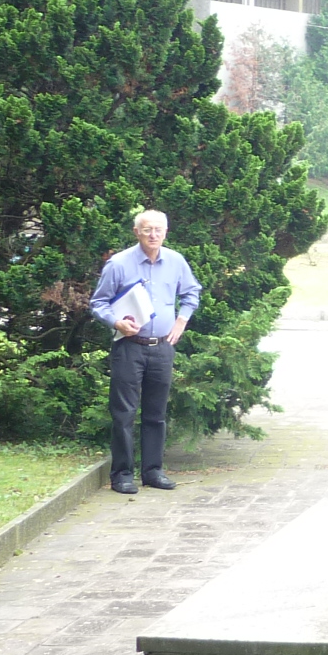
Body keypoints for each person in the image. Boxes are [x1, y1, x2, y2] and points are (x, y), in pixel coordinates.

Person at [88, 210, 202, 495]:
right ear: (136, 231)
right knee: (124, 413)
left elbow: (191, 293)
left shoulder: (176, 262)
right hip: (129, 347)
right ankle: (122, 474)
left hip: (162, 347)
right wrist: (115, 322)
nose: (153, 235)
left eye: (159, 230)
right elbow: (98, 303)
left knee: (156, 413)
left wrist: (181, 320)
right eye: (147, 229)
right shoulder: (118, 264)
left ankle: (153, 472)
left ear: (166, 231)